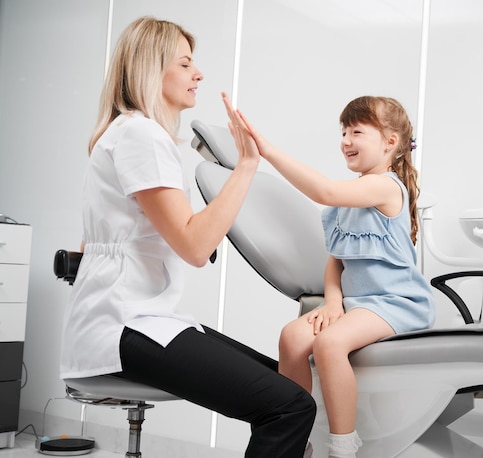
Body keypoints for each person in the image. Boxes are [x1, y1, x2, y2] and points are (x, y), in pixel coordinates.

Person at [59, 17, 316, 458]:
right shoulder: (142, 135)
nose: (198, 73)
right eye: (185, 63)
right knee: (288, 407)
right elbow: (195, 247)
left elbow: (171, 234)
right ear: (149, 70)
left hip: (131, 315)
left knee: (285, 389)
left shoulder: (130, 133)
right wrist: (246, 166)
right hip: (123, 322)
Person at [223, 94, 436, 458]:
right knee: (291, 337)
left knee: (328, 344)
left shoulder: (384, 186)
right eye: (343, 132)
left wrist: (268, 151)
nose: (346, 141)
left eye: (357, 131)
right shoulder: (351, 200)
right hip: (358, 304)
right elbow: (336, 261)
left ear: (390, 142)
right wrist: (334, 302)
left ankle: (342, 446)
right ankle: (296, 437)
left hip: (396, 302)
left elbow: (324, 190)